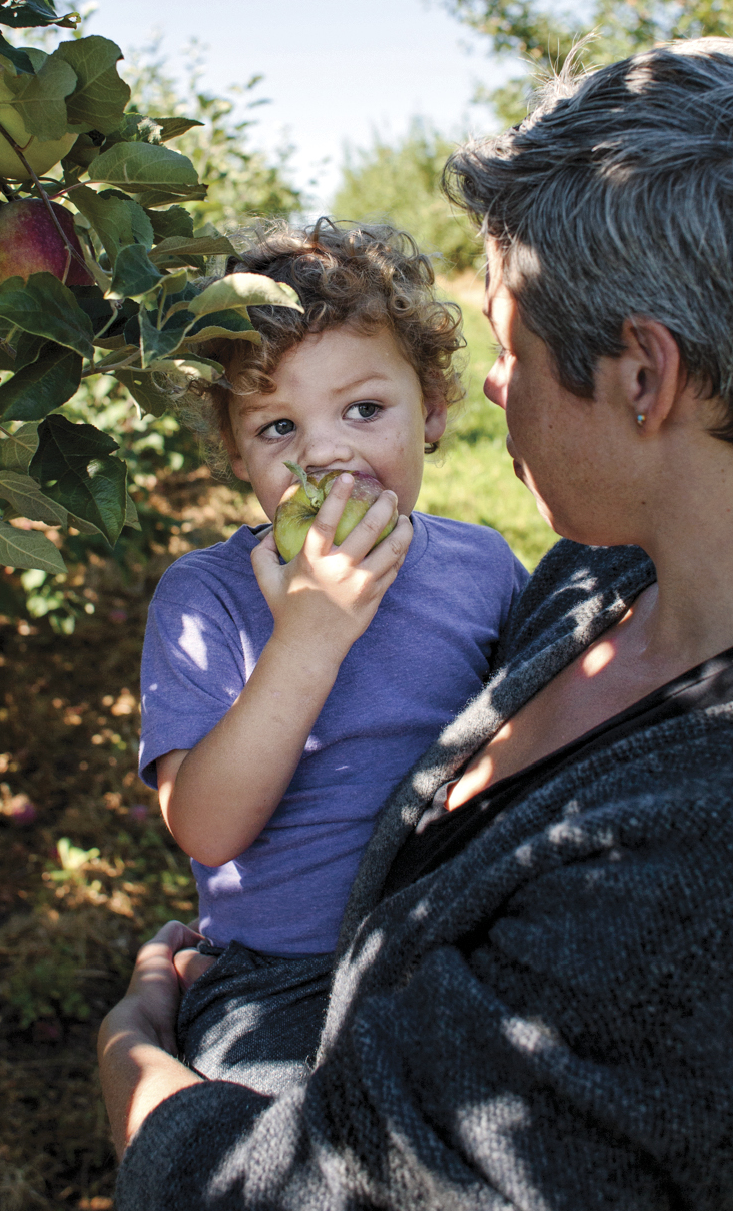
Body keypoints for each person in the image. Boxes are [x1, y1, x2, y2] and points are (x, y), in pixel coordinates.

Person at [102, 39, 733, 1211]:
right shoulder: (598, 593)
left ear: (639, 376)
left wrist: (139, 1081)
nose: (486, 385)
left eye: (511, 344)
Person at [136, 220, 528, 1088]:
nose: (324, 451)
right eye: (276, 425)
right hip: (281, 980)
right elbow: (204, 828)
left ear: (430, 408)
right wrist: (309, 635)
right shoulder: (206, 599)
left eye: (363, 409)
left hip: (450, 942)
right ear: (235, 450)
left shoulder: (485, 568)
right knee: (282, 1163)